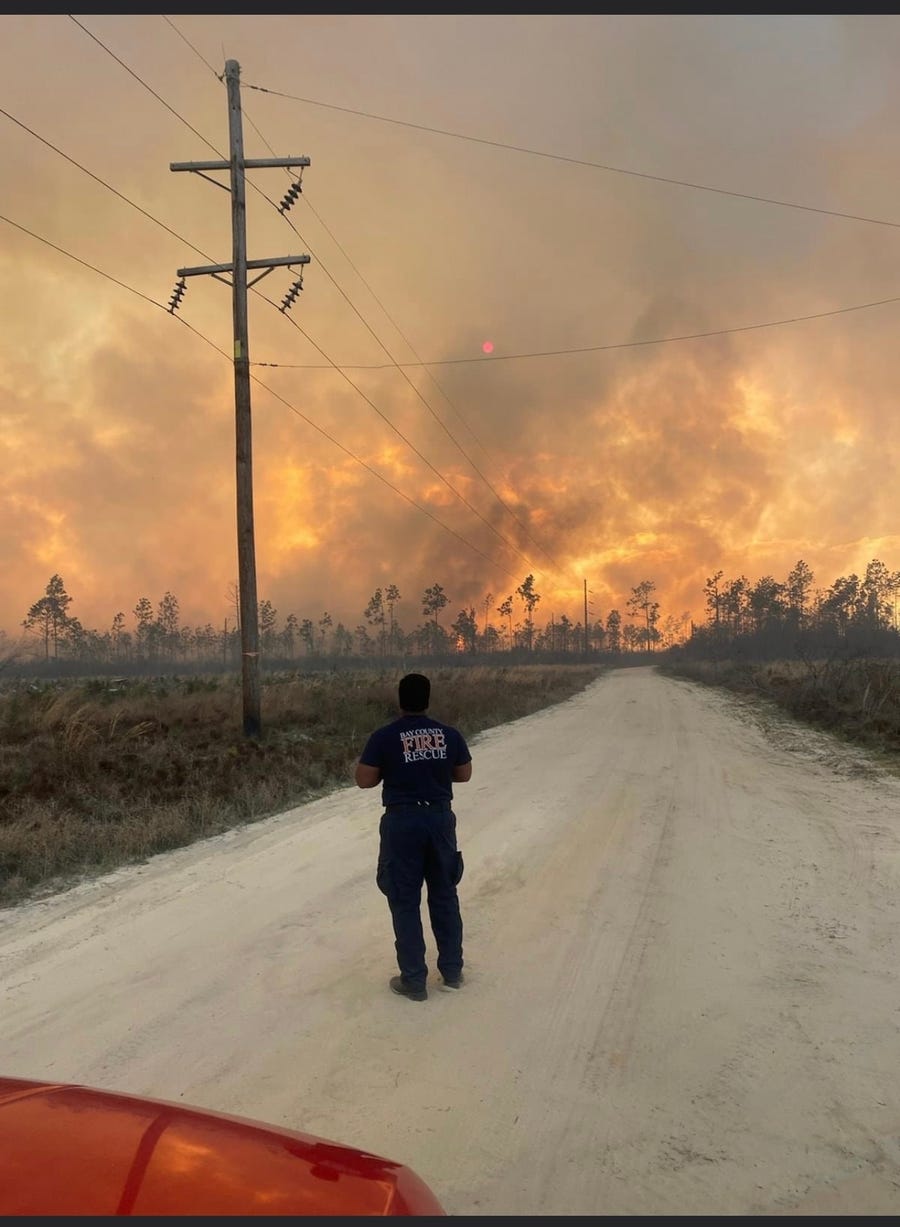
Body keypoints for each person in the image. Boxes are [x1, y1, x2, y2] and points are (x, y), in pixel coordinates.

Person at [355, 672, 472, 1002]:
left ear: (400, 700)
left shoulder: (385, 736)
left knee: (404, 900)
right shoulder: (448, 734)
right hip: (439, 818)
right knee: (444, 895)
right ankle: (451, 971)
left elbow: (364, 780)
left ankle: (414, 981)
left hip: (402, 821)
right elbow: (463, 774)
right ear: (428, 699)